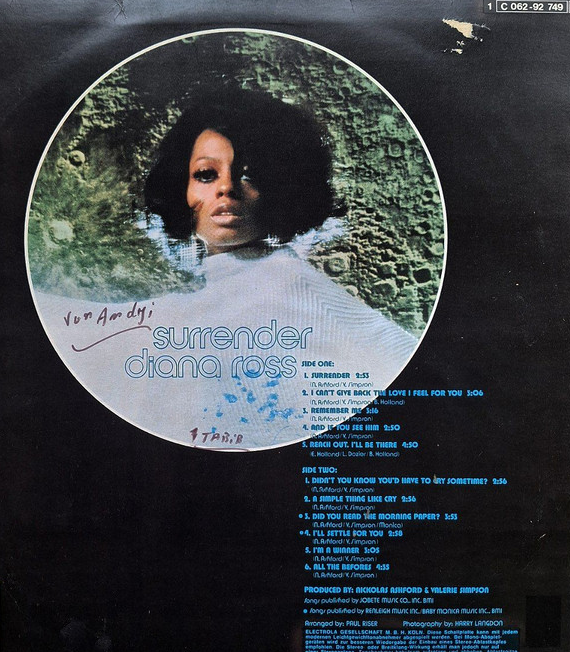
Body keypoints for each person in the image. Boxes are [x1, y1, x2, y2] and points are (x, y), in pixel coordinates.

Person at [35, 89, 417, 450]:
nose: (227, 188)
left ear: (283, 187)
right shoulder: (222, 290)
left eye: (250, 174)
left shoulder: (291, 286)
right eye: (206, 174)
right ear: (181, 189)